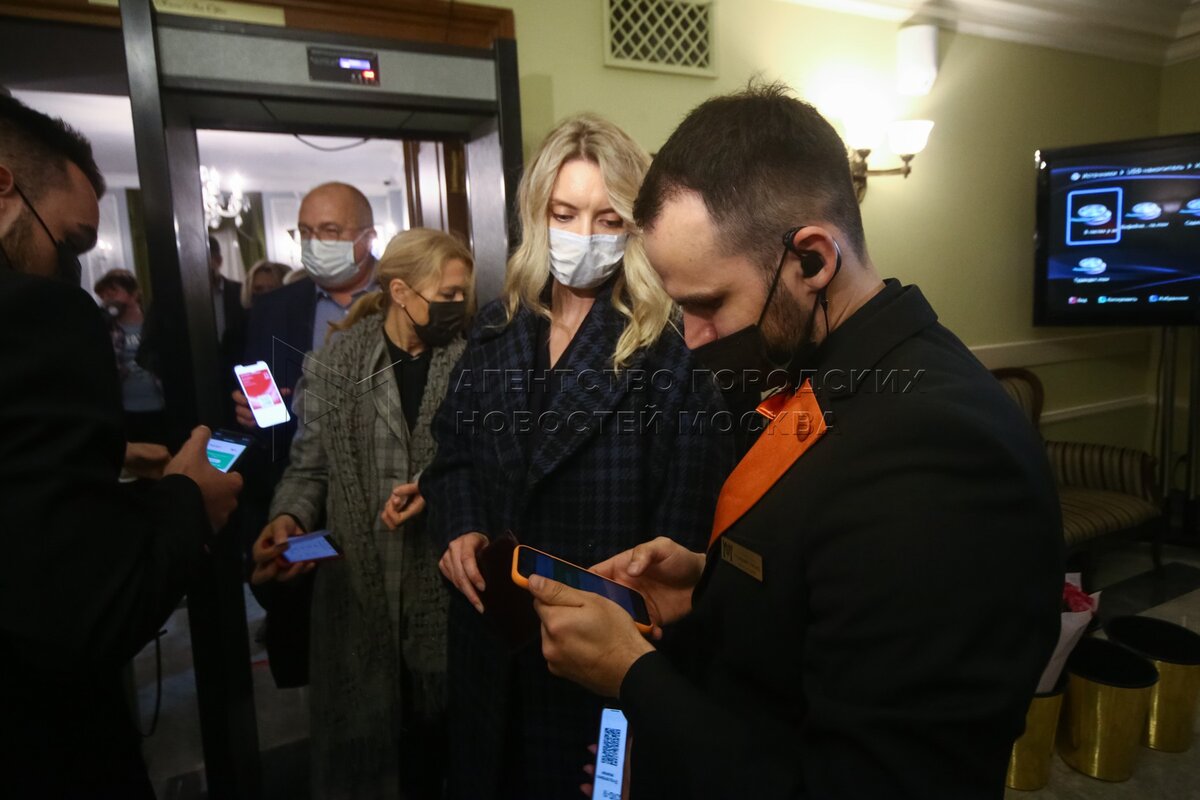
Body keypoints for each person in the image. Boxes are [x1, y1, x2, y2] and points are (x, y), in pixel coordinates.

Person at [526, 85, 1064, 799]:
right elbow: (834, 579)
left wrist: (634, 676)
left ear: (811, 260)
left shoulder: (943, 452)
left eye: (708, 304)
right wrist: (714, 585)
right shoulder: (818, 367)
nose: (693, 339)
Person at [420, 114, 732, 800]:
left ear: (638, 227)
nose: (583, 236)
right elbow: (453, 453)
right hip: (489, 651)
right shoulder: (499, 326)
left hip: (598, 671)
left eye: (607, 219)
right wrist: (459, 525)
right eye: (564, 214)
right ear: (538, 214)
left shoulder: (674, 352)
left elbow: (680, 548)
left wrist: (652, 702)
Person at [0, 95, 242, 797]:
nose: (71, 271)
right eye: (72, 244)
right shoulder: (33, 313)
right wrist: (188, 499)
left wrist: (110, 459)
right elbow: (83, 611)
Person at [249, 228, 473, 799]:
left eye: (462, 295)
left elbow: (484, 465)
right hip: (355, 595)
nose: (458, 307)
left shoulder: (473, 363)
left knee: (437, 755)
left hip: (438, 597)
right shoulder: (335, 364)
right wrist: (289, 518)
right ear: (401, 292)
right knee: (363, 757)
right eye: (447, 295)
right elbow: (309, 468)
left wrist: (435, 489)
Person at [235, 182, 379, 686]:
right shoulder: (274, 308)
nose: (315, 242)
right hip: (302, 503)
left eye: (331, 231)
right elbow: (259, 395)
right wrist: (260, 414)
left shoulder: (405, 294)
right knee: (317, 654)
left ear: (366, 237)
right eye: (306, 231)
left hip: (386, 501)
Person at [95, 267, 167, 444]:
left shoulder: (155, 326)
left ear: (134, 294)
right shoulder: (106, 329)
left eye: (113, 293)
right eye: (104, 296)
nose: (108, 300)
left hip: (160, 406)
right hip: (126, 411)